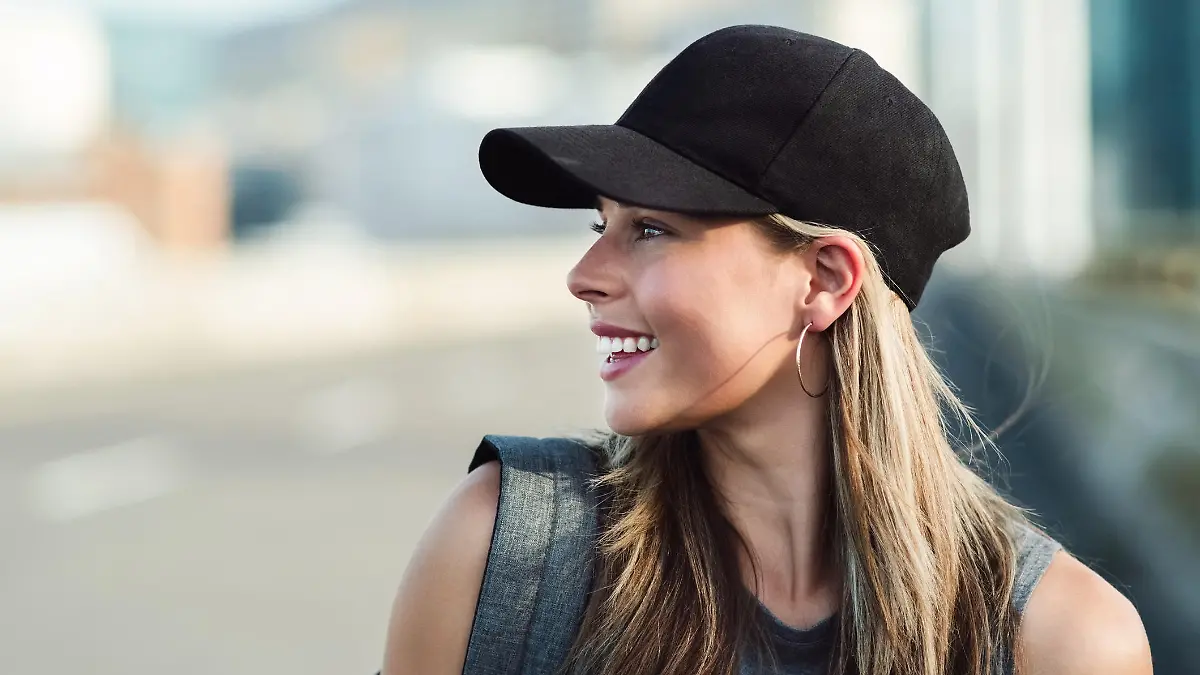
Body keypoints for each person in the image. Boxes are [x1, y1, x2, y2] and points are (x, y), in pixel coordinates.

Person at [381, 25, 1153, 675]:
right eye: (599, 226)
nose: (584, 277)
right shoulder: (506, 555)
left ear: (823, 278)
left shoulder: (1062, 640)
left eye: (650, 229)